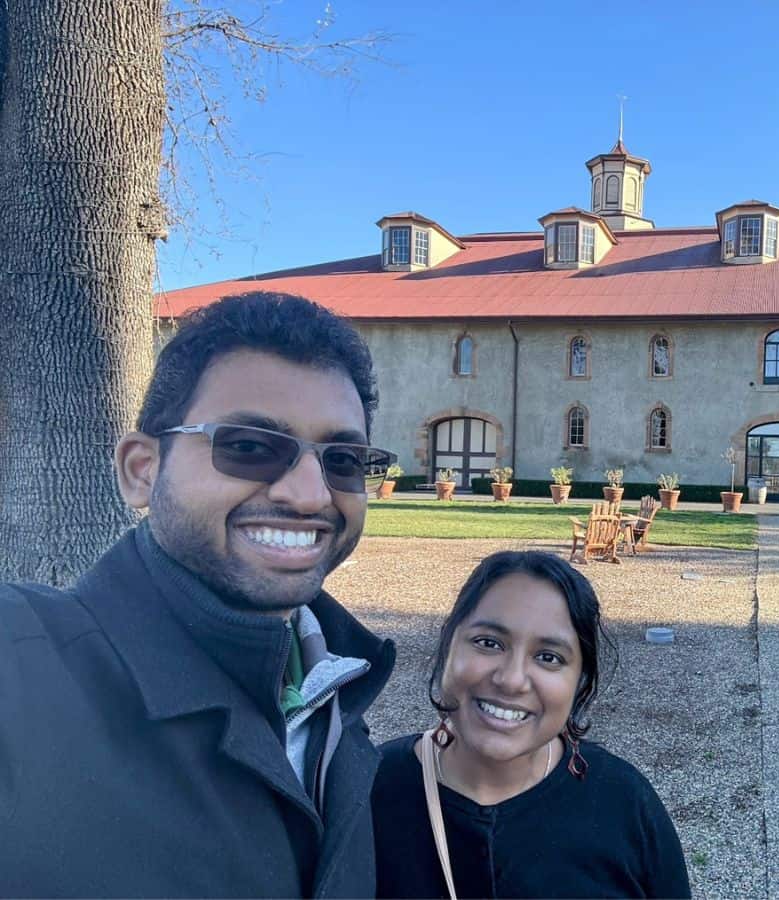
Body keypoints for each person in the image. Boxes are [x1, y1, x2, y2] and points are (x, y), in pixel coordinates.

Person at [0, 293, 398, 897]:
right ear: (141, 470)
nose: (311, 495)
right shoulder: (25, 671)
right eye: (248, 447)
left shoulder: (338, 699)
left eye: (342, 459)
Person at [372, 550, 691, 899]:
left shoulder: (626, 806)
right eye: (488, 643)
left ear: (579, 683)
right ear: (448, 645)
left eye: (548, 657)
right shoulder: (366, 792)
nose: (512, 680)